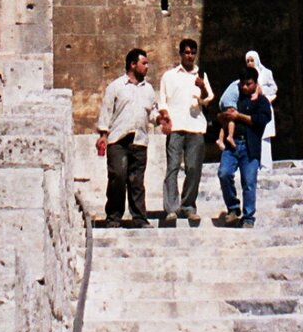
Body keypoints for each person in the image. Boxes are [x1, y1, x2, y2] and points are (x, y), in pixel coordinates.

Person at [93, 47, 158, 228]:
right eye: (144, 63)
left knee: (137, 181)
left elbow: (152, 112)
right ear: (132, 64)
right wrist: (103, 136)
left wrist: (160, 118)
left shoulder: (149, 89)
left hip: (139, 140)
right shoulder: (115, 87)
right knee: (118, 178)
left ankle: (139, 217)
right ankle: (113, 217)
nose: (147, 67)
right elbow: (106, 112)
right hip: (118, 140)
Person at [155, 37, 213, 228]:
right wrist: (165, 118)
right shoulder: (169, 76)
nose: (190, 56)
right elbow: (162, 101)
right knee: (172, 167)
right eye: (186, 52)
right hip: (176, 126)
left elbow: (207, 100)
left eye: (192, 53)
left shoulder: (201, 75)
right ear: (181, 54)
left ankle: (188, 206)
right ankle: (171, 208)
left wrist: (202, 86)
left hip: (195, 126)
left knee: (193, 168)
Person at [213, 71, 273, 227]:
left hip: (249, 146)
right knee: (224, 173)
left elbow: (261, 120)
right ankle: (233, 208)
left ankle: (248, 217)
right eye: (243, 84)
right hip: (231, 146)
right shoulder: (234, 97)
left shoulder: (261, 101)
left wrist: (239, 116)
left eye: (249, 84)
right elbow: (220, 116)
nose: (245, 87)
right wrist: (224, 116)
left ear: (255, 84)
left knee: (249, 181)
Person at [242, 50, 279, 170]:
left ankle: (266, 165)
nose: (250, 63)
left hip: (263, 107)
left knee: (265, 137)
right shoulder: (245, 75)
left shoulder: (266, 73)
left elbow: (274, 88)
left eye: (252, 60)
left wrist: (262, 91)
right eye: (247, 61)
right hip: (251, 109)